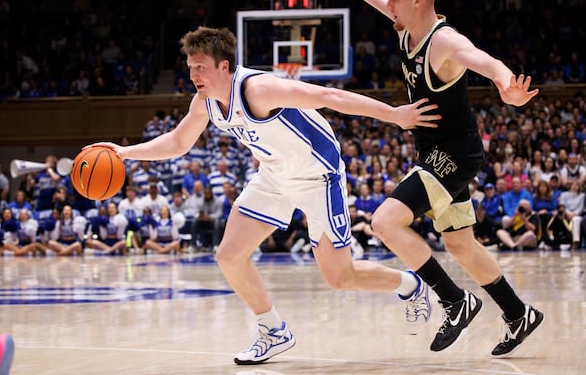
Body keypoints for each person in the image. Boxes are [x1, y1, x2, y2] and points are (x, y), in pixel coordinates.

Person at [88, 26, 440, 365]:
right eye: (190, 67)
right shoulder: (205, 101)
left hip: (319, 176)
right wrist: (124, 153)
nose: (193, 74)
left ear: (224, 66)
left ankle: (409, 283)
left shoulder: (259, 89)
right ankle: (272, 330)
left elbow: (329, 97)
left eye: (200, 67)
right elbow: (179, 143)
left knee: (339, 278)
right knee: (228, 256)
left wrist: (394, 115)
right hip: (274, 176)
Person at [325, 0, 543, 357]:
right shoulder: (404, 25)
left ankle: (454, 301)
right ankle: (517, 313)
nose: (387, 3)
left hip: (454, 154)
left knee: (384, 222)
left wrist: (507, 83)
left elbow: (482, 59)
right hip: (434, 153)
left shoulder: (443, 41)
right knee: (459, 243)